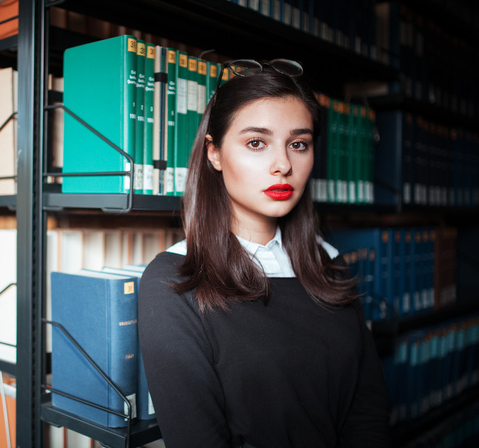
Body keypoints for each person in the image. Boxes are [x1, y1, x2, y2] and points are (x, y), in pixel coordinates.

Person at [138, 59, 391, 448]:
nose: (283, 165)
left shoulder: (330, 263)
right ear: (215, 154)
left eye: (298, 144)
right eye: (257, 142)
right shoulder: (173, 280)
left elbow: (368, 411)